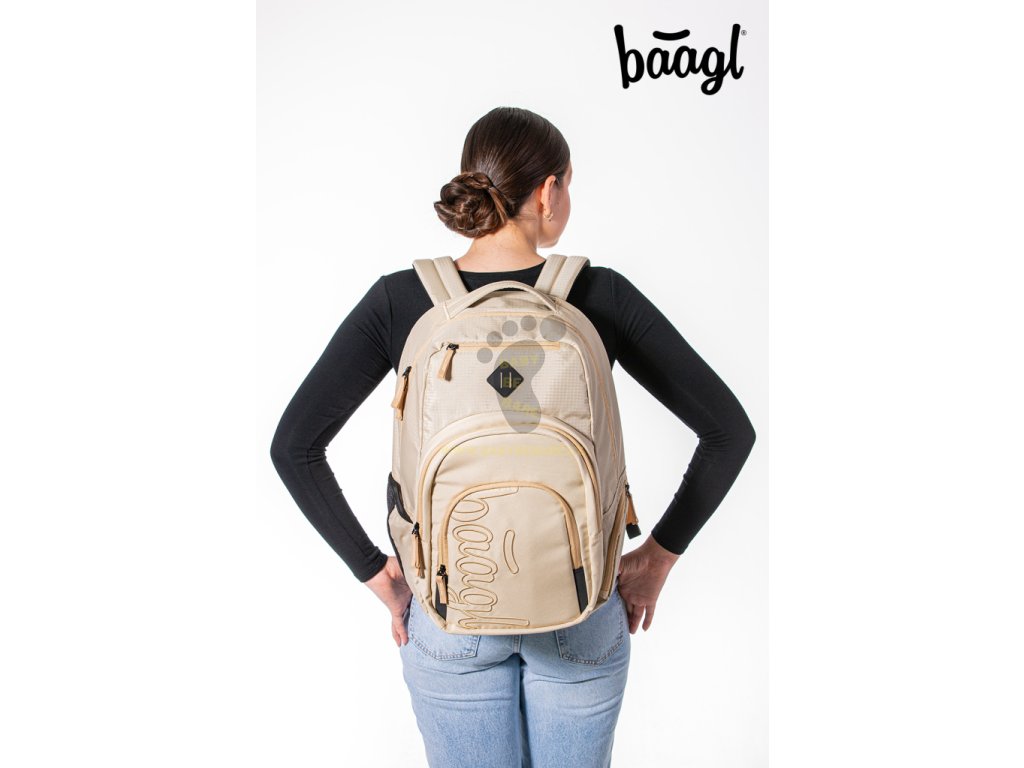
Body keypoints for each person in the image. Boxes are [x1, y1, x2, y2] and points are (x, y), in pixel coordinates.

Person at [270, 106, 756, 767]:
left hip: (450, 608)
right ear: (548, 191)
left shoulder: (399, 300)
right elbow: (728, 431)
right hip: (582, 609)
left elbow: (294, 447)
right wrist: (656, 559)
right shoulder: (600, 295)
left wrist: (376, 572)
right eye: (570, 185)